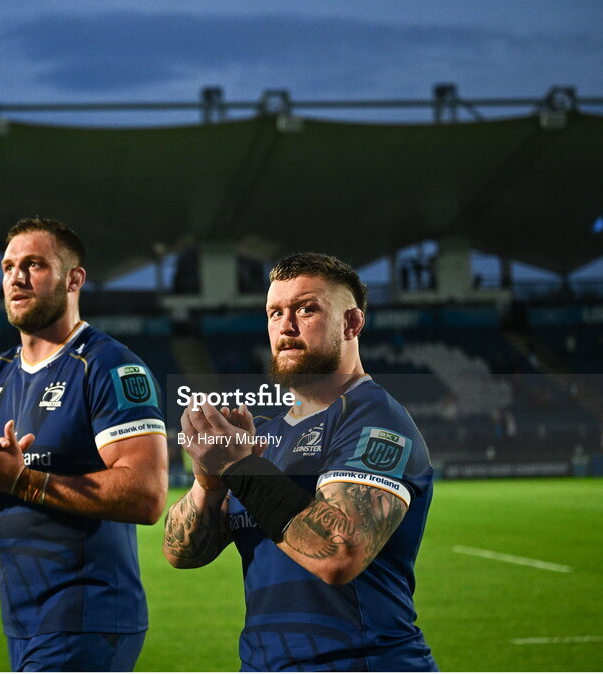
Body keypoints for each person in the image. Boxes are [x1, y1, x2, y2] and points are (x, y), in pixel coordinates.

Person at [163, 252, 436, 671]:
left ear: (352, 324)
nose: (286, 327)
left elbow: (340, 552)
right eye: (275, 312)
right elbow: (181, 553)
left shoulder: (374, 418)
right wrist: (208, 479)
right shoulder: (264, 435)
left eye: (306, 309)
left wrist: (240, 469)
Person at [0, 217, 168, 672]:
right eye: (7, 266)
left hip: (87, 614)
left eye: (33, 265)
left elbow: (147, 494)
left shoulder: (109, 366)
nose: (15, 278)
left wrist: (22, 480)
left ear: (74, 278)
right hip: (22, 620)